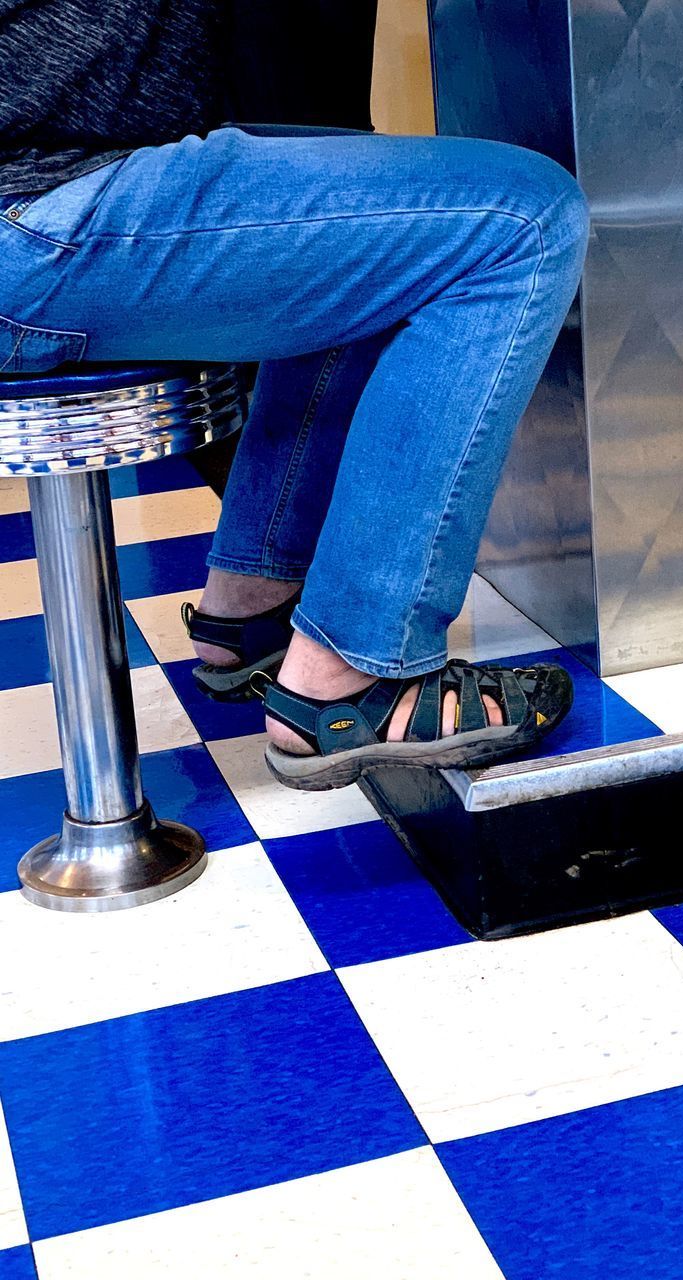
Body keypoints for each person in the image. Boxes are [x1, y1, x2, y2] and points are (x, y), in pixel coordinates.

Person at [0, 1, 590, 791]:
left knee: (383, 205)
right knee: (523, 217)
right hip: (34, 210)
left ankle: (252, 601)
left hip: (44, 183)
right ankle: (355, 671)